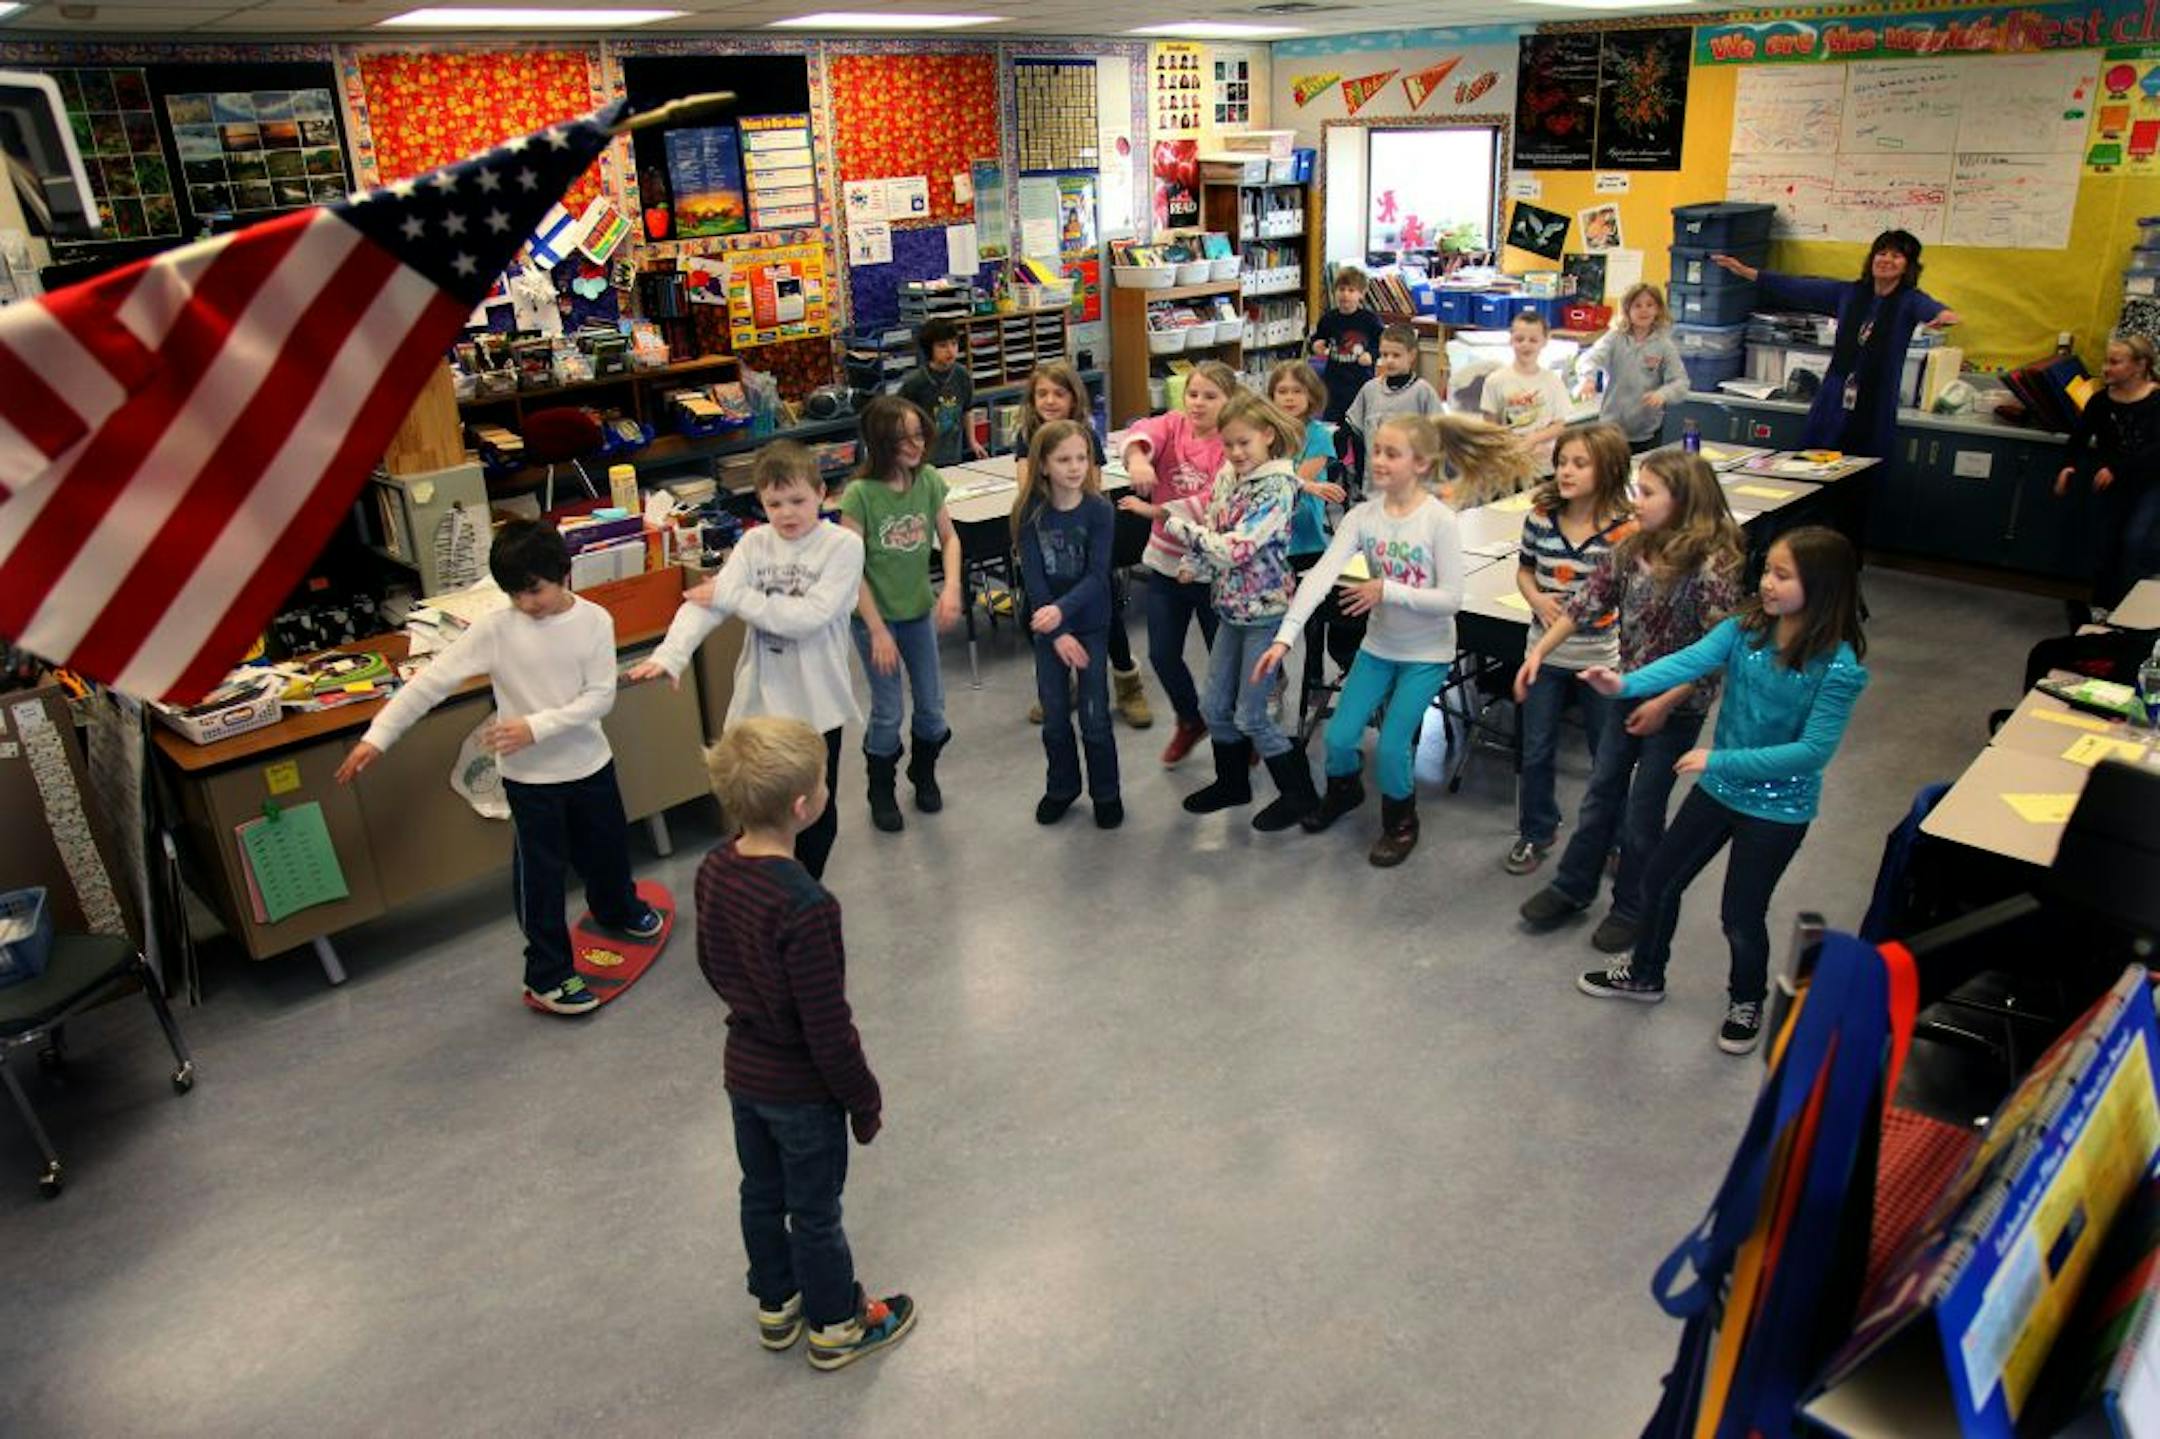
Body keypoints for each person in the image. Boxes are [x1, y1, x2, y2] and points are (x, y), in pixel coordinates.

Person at [334, 520, 660, 1015]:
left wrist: (535, 726)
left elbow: (600, 698)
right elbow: (430, 682)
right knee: (541, 881)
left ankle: (616, 909)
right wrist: (378, 736)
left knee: (608, 849)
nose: (526, 604)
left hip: (591, 766)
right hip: (531, 784)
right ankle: (548, 975)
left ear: (563, 573)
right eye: (514, 595)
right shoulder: (495, 630)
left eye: (534, 591)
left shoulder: (594, 621)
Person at [1575, 526, 1871, 1057]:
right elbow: (1690, 661)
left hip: (1777, 810)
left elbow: (1812, 754)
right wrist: (1623, 684)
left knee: (1740, 914)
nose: (1768, 584)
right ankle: (1645, 974)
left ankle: (1747, 999)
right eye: (1767, 571)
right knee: (1661, 879)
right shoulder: (1746, 629)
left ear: (1823, 587)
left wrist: (1720, 757)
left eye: (1783, 575)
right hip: (1719, 789)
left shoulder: (1839, 667)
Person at [697, 716, 916, 1371]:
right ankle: (835, 1325)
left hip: (744, 1074)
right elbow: (827, 1027)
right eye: (823, 780)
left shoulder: (714, 867)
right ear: (803, 806)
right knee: (816, 1212)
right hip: (802, 1092)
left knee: (759, 1193)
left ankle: (777, 1302)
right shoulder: (806, 904)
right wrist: (863, 1100)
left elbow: (712, 962)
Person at [1256, 414, 1526, 865]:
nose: (1378, 460)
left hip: (1427, 654)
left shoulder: (1438, 521)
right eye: (1376, 450)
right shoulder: (1364, 517)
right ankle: (1344, 793)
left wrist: (1387, 590)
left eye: (1391, 453)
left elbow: (1451, 600)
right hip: (1379, 649)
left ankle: (1401, 822)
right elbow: (1320, 576)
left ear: (1420, 464)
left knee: (1393, 744)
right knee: (1340, 739)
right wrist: (1285, 638)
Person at [1517, 451, 1745, 952]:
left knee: (1644, 810)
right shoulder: (1633, 548)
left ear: (1682, 500)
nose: (1635, 501)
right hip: (1629, 688)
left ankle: (1633, 905)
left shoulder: (1713, 564)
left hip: (1678, 705)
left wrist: (1665, 702)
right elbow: (1584, 605)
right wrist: (1540, 653)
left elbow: (1717, 653)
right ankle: (1573, 885)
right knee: (1601, 793)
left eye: (1647, 493)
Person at [631, 441, 864, 879]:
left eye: (797, 500)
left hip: (816, 709)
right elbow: (705, 603)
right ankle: (763, 882)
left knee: (812, 807)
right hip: (760, 705)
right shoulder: (755, 543)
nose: (787, 513)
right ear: (760, 502)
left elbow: (807, 618)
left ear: (820, 493)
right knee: (757, 804)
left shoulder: (843, 547)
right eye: (774, 503)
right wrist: (671, 654)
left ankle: (802, 884)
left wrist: (730, 593)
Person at [1125, 392, 1314, 829]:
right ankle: (1233, 785)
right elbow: (1216, 524)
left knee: (1251, 714)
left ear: (1268, 435)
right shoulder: (1230, 474)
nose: (1236, 453)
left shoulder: (1278, 487)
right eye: (1228, 444)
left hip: (1266, 615)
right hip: (1230, 607)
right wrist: (1193, 562)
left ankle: (1300, 795)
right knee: (1213, 707)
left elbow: (1238, 546)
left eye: (1244, 442)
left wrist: (1171, 524)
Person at [1712, 232, 1958, 554]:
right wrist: (1749, 273)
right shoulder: (1849, 293)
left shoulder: (1910, 300)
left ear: (1908, 265)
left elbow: (1934, 310)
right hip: (1833, 399)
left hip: (1874, 404)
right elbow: (1797, 287)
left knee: (1859, 483)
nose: (1886, 260)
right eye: (1881, 252)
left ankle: (1846, 556)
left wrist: (1943, 316)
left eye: (1897, 256)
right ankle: (1803, 549)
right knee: (1811, 471)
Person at [1505, 422, 1637, 876]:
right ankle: (1537, 830)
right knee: (1536, 750)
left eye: (1580, 464)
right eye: (1562, 462)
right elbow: (1524, 571)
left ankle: (1614, 838)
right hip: (1541, 653)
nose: (1566, 471)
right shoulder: (1541, 516)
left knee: (1608, 755)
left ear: (1610, 469)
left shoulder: (1625, 531)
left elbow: (1624, 595)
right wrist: (1536, 597)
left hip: (1598, 657)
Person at [841, 395, 961, 834]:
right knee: (888, 711)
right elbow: (851, 569)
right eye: (901, 438)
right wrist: (877, 631)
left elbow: (948, 539)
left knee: (932, 709)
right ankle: (880, 788)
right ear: (879, 443)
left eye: (918, 434)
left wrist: (950, 588)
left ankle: (923, 772)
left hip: (916, 613)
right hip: (874, 621)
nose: (914, 445)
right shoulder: (859, 495)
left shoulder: (928, 481)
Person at [1118, 360, 1241, 767]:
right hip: (1167, 566)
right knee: (1162, 654)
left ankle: (1238, 731)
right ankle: (1190, 720)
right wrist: (1137, 460)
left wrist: (1155, 511)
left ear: (1230, 401)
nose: (1199, 404)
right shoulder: (1172, 424)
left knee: (1221, 660)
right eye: (1193, 394)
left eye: (1210, 396)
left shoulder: (1233, 443)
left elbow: (1210, 504)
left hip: (1211, 571)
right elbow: (1140, 434)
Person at [1016, 361, 1150, 729]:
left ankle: (1127, 683)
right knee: (1036, 614)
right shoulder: (1028, 437)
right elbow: (1025, 486)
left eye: (1059, 393)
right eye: (1042, 393)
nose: (1050, 400)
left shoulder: (1085, 436)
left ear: (1075, 397)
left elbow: (1090, 486)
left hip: (1085, 541)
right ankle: (1064, 683)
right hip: (1046, 537)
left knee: (1107, 618)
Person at [1013, 418, 1122, 828]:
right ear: (1043, 465)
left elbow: (1097, 576)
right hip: (1049, 632)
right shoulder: (1029, 512)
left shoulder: (1099, 511)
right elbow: (1035, 579)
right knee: (1055, 716)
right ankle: (1062, 788)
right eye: (1064, 459)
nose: (1075, 467)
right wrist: (1056, 630)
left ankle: (1106, 793)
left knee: (1095, 715)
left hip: (1092, 625)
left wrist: (1063, 613)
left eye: (1082, 458)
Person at [2055, 332, 2160, 612]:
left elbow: (2155, 450)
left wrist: (2117, 468)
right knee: (2105, 544)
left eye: (2115, 362)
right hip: (2112, 485)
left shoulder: (2156, 400)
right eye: (2106, 361)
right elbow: (2078, 438)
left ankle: (2131, 612)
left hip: (2149, 483)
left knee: (2136, 541)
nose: (2106, 368)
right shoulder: (2101, 401)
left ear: (2139, 366)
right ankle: (2102, 608)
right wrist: (2068, 466)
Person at [1576, 283, 1690, 454]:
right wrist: (1588, 379)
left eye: (1650, 305)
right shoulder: (1615, 338)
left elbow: (1681, 382)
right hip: (1611, 428)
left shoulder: (1664, 345)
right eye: (1637, 305)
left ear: (1658, 309)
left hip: (1647, 431)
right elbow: (1589, 358)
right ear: (1627, 309)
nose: (1644, 310)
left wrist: (1663, 394)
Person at [1342, 322, 1444, 490]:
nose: (1389, 360)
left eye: (1396, 355)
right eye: (1384, 355)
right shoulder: (1370, 390)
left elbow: (1437, 436)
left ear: (1411, 356)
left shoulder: (1422, 392)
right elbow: (1355, 427)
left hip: (1412, 484)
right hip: (1375, 483)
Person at [1480, 309, 1573, 477]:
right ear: (1511, 340)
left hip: (1543, 467)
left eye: (1533, 340)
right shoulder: (1495, 380)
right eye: (1519, 339)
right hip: (1508, 467)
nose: (1526, 345)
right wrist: (1511, 445)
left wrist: (1533, 439)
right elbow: (1489, 426)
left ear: (1545, 341)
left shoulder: (1552, 381)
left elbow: (1559, 425)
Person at [897, 315, 981, 467]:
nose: (950, 350)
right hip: (924, 458)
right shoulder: (915, 382)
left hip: (953, 455)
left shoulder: (962, 376)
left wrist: (972, 441)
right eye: (942, 346)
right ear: (930, 349)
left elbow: (967, 410)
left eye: (954, 344)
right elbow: (900, 419)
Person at [1308, 265, 1384, 423]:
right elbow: (1317, 339)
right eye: (1341, 289)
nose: (1345, 294)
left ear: (1361, 294)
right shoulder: (1329, 319)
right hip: (1334, 383)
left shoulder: (1369, 320)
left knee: (1359, 425)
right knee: (1332, 425)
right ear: (1335, 292)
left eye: (1351, 290)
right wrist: (1316, 345)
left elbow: (1381, 343)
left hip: (1360, 382)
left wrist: (1371, 354)